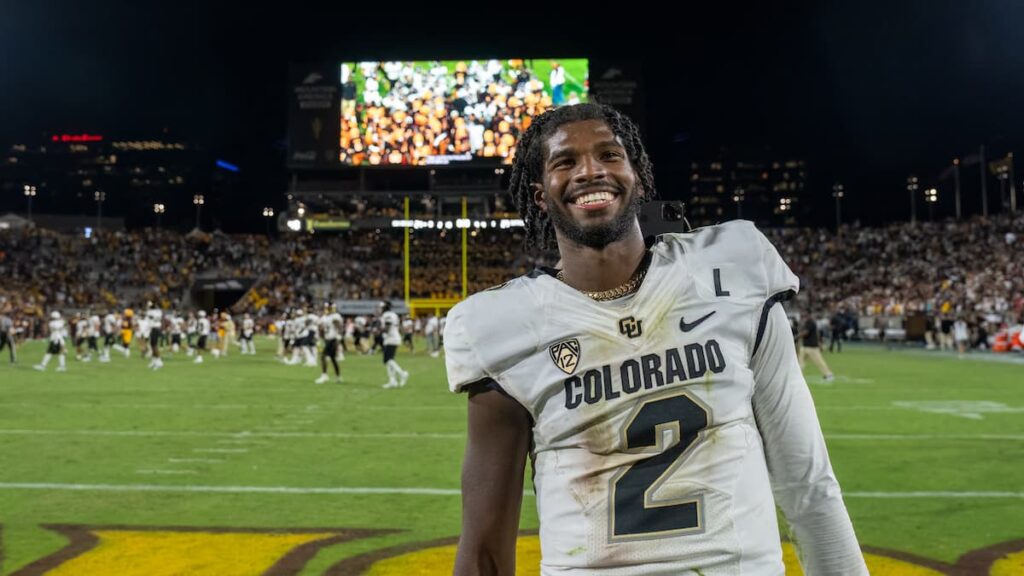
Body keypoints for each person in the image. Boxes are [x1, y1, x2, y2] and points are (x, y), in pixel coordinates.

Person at [444, 103, 866, 575]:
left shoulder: (732, 269)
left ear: (638, 177)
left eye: (609, 154)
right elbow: (484, 547)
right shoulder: (504, 325)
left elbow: (807, 481)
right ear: (540, 195)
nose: (589, 171)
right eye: (565, 162)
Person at [379, 301, 409, 389]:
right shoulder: (394, 314)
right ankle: (392, 381)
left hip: (391, 338)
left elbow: (387, 325)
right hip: (394, 337)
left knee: (387, 360)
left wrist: (381, 331)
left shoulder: (387, 315)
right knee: (390, 361)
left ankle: (402, 373)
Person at [799, 312, 835, 382]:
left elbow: (806, 333)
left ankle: (828, 374)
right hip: (805, 346)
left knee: (819, 361)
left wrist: (796, 337)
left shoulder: (810, 322)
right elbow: (816, 334)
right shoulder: (809, 322)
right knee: (800, 361)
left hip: (812, 347)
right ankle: (799, 375)